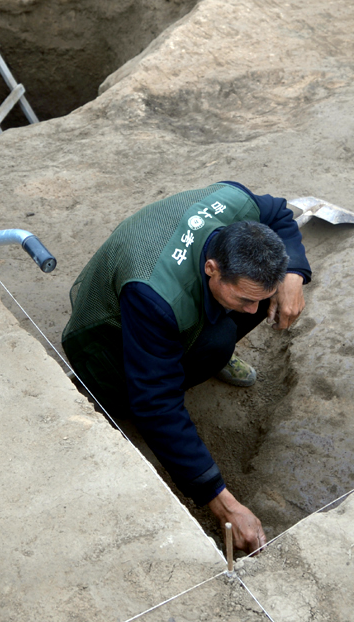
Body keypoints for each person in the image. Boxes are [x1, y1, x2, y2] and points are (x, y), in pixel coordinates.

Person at [61, 182, 312, 554]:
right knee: (129, 398)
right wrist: (220, 501)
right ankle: (106, 393)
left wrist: (293, 275)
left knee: (224, 332)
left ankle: (212, 347)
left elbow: (278, 213)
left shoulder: (237, 204)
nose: (252, 310)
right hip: (106, 330)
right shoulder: (153, 296)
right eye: (243, 298)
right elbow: (158, 404)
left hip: (167, 302)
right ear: (212, 268)